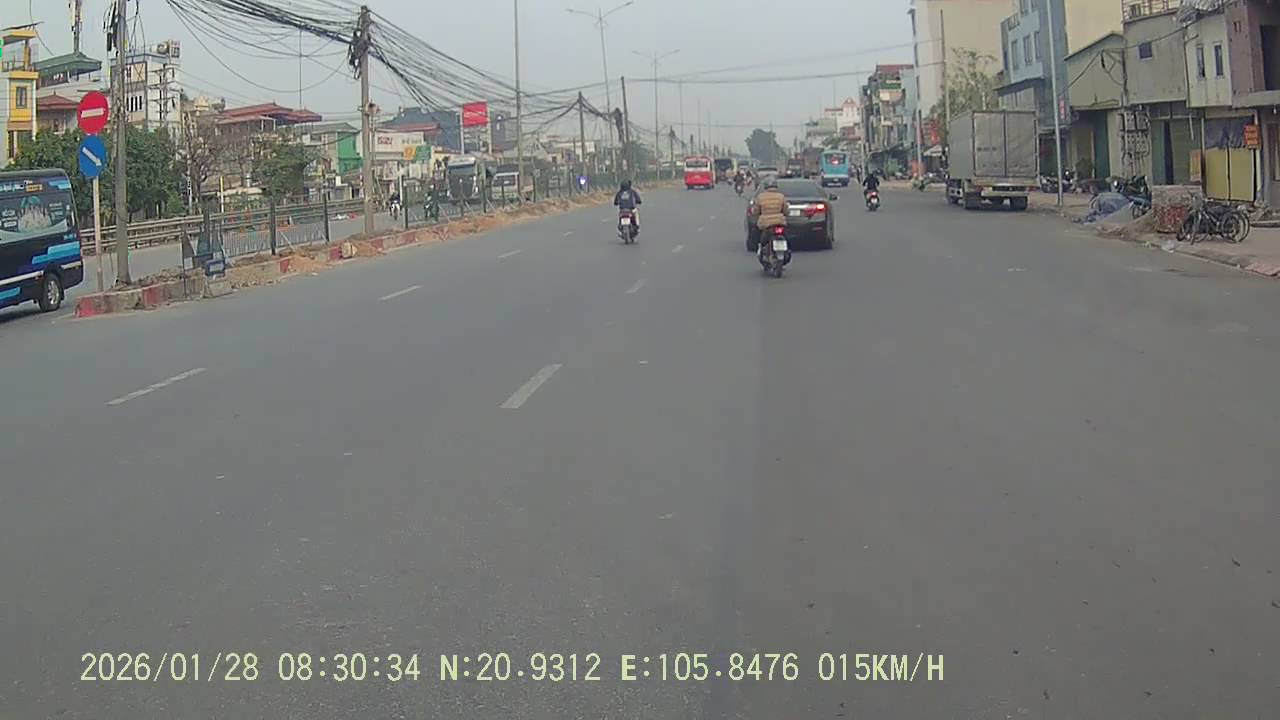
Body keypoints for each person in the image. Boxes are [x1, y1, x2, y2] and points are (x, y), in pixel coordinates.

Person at [753, 177, 787, 252]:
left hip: (765, 223)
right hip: (779, 221)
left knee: (758, 234)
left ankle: (760, 248)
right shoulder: (781, 196)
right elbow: (785, 210)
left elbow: (756, 211)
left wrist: (755, 212)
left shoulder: (760, 197)